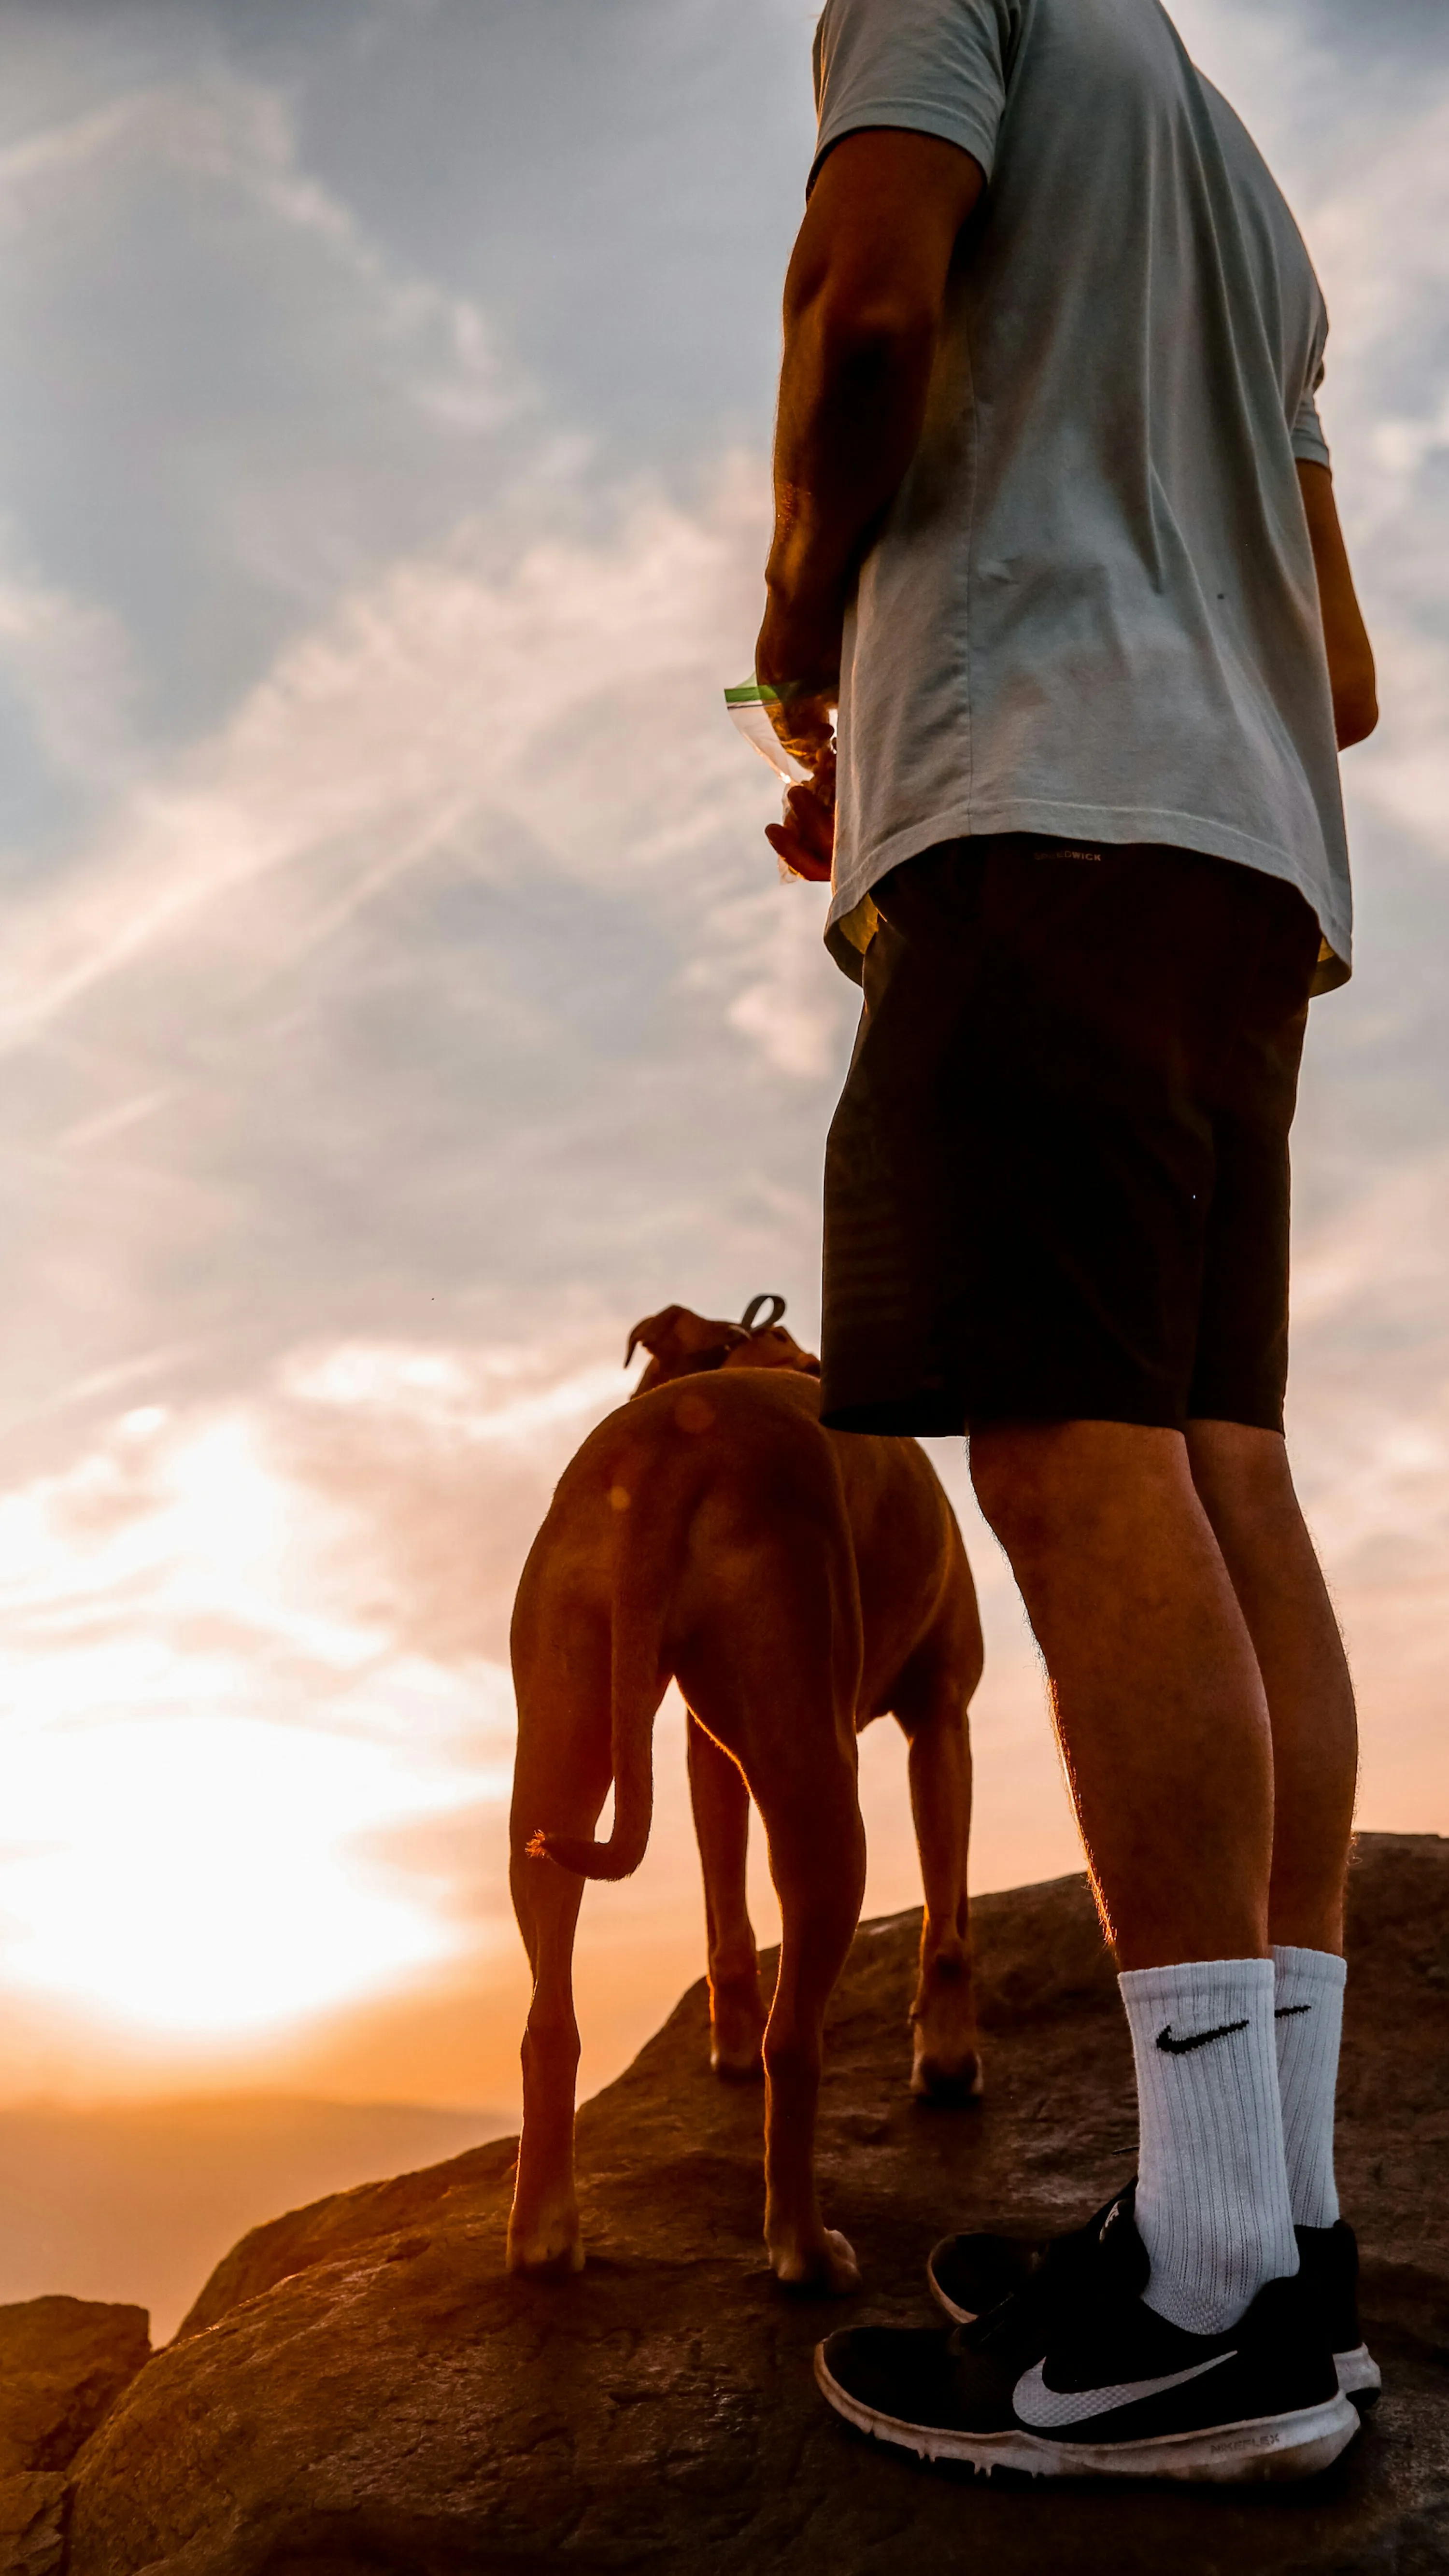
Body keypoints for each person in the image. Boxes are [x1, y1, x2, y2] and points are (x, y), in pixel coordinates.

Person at [753, 0, 1379, 2486]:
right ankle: (1267, 2228)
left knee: (1071, 1461)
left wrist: (815, 653)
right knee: (1225, 1469)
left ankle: (1216, 2305)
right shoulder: (1244, 181)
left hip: (1037, 817)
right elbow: (1338, 670)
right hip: (1246, 873)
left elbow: (867, 304)